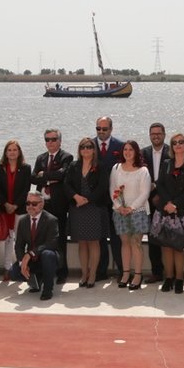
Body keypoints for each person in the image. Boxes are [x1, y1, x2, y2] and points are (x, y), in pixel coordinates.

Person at [155, 133, 184, 294]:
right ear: (172, 147)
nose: (178, 145)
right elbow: (159, 184)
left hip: (183, 211)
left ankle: (179, 279)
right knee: (166, 246)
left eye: (181, 142)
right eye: (175, 143)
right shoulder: (166, 163)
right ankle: (169, 278)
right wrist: (168, 203)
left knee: (179, 247)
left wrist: (175, 204)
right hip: (165, 211)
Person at [64, 137, 108, 288]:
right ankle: (84, 273)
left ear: (94, 150)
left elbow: (102, 187)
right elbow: (66, 184)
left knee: (94, 242)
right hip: (77, 208)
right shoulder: (74, 165)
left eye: (89, 147)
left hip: (94, 207)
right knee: (82, 242)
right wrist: (76, 197)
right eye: (83, 147)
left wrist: (87, 199)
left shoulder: (100, 167)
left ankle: (93, 274)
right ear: (79, 149)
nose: (86, 149)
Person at [31, 128, 73, 283]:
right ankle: (42, 271)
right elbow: (33, 178)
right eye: (47, 139)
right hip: (42, 205)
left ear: (60, 141)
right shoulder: (40, 158)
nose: (50, 142)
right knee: (41, 239)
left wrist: (44, 176)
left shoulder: (66, 157)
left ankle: (62, 272)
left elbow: (62, 175)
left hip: (58, 206)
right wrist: (50, 178)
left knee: (60, 239)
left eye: (54, 139)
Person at [110, 140, 151, 290]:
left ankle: (138, 275)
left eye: (131, 150)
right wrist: (119, 206)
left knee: (136, 243)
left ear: (136, 152)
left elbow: (144, 193)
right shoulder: (116, 168)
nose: (127, 152)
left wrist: (131, 208)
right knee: (125, 243)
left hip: (137, 212)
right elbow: (112, 190)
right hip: (120, 212)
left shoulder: (143, 171)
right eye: (125, 149)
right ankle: (126, 273)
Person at [8, 190, 61, 301]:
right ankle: (35, 282)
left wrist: (31, 253)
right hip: (32, 259)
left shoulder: (51, 220)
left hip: (47, 257)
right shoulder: (23, 221)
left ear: (42, 204)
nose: (30, 206)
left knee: (47, 254)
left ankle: (48, 289)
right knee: (13, 273)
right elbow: (19, 246)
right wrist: (23, 263)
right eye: (28, 203)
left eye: (34, 204)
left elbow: (52, 243)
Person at [0, 140, 31, 280]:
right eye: (9, 150)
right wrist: (6, 204)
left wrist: (15, 205)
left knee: (21, 239)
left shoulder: (26, 168)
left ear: (19, 152)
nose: (12, 152)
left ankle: (23, 267)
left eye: (14, 150)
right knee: (8, 240)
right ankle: (7, 268)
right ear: (5, 152)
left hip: (20, 209)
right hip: (5, 210)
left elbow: (26, 189)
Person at [94, 116, 124, 281]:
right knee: (99, 237)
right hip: (97, 200)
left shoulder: (120, 146)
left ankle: (122, 270)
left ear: (111, 129)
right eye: (98, 128)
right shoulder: (88, 145)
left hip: (116, 200)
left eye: (104, 129)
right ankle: (101, 271)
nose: (101, 132)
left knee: (117, 237)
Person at [141, 122, 169, 284]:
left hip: (167, 201)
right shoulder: (143, 153)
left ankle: (171, 273)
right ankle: (156, 272)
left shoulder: (171, 152)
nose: (156, 136)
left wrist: (159, 190)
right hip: (149, 202)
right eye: (153, 134)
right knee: (153, 239)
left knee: (170, 238)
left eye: (159, 133)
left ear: (164, 135)